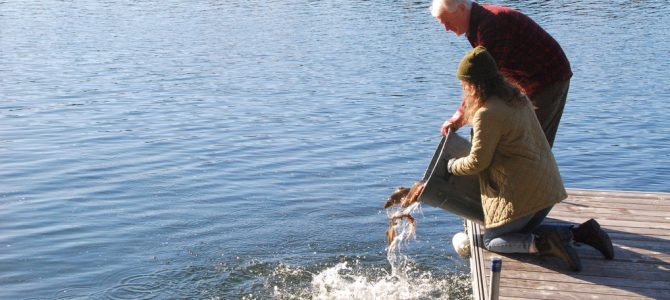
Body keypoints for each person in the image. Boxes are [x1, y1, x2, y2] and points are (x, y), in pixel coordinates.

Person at [446, 47, 614, 272]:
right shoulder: (517, 97)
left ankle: (543, 245)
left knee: (492, 240)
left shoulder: (487, 113)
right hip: (548, 187)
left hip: (524, 194)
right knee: (518, 233)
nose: (462, 89)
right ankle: (582, 233)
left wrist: (451, 166)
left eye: (464, 84)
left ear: (475, 85)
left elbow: (478, 162)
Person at [431, 0, 570, 148]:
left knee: (532, 144)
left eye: (447, 21)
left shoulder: (491, 25)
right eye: (442, 23)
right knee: (516, 138)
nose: (446, 28)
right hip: (524, 80)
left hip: (548, 78)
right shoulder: (477, 23)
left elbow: (485, 80)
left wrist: (461, 115)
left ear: (461, 8)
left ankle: (536, 169)